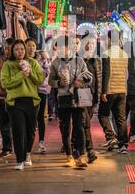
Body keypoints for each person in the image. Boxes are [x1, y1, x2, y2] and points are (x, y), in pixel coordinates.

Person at [49, 35, 93, 168]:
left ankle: (80, 155)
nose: (63, 49)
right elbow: (50, 81)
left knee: (79, 127)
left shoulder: (79, 61)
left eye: (65, 46)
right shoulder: (55, 63)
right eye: (60, 47)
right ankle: (69, 155)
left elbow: (89, 77)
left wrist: (81, 81)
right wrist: (58, 82)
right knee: (65, 128)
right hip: (63, 99)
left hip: (78, 98)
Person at [1, 40, 45, 170]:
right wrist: (20, 74)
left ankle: (27, 154)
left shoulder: (33, 62)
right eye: (17, 49)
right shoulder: (8, 65)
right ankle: (19, 160)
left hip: (32, 101)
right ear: (12, 51)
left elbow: (40, 80)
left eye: (22, 49)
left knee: (30, 130)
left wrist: (29, 71)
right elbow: (5, 84)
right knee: (18, 130)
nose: (20, 51)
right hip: (15, 102)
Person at [98, 30, 129, 154]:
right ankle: (123, 145)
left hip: (110, 90)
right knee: (121, 118)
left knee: (102, 114)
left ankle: (111, 137)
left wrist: (103, 91)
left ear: (110, 39)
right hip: (122, 90)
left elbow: (106, 73)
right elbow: (126, 74)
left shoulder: (107, 53)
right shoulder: (124, 54)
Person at [25, 38, 51, 154]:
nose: (31, 48)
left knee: (40, 117)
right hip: (27, 92)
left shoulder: (41, 58)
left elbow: (46, 73)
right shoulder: (22, 59)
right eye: (29, 46)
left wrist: (45, 60)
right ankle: (26, 144)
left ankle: (41, 142)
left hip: (41, 90)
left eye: (33, 46)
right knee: (29, 119)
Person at [81, 35, 101, 163]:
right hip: (82, 95)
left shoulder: (97, 60)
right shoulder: (78, 60)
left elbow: (100, 77)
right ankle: (89, 149)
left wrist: (100, 93)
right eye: (88, 43)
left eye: (93, 43)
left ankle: (76, 144)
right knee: (85, 122)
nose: (90, 46)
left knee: (84, 122)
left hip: (93, 95)